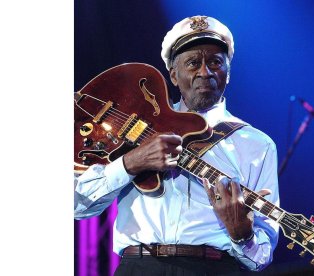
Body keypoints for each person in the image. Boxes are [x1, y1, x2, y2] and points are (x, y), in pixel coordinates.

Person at [75, 15, 280, 275]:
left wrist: (243, 236)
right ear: (173, 74)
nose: (205, 72)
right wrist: (130, 163)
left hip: (214, 268)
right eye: (193, 63)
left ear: (228, 73)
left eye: (216, 62)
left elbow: (261, 257)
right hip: (138, 266)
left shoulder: (257, 145)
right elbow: (76, 206)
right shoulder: (134, 125)